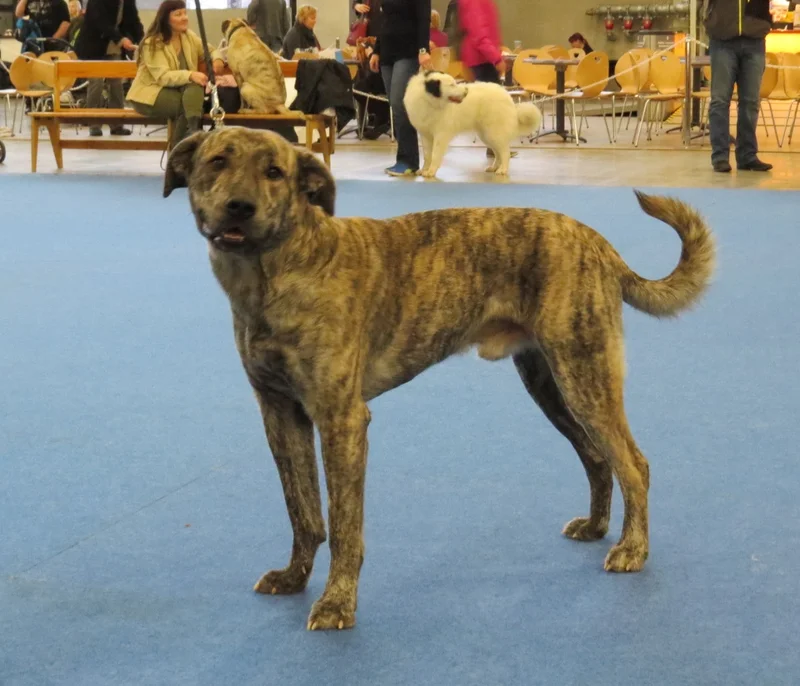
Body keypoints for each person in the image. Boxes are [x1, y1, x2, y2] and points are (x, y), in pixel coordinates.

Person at [127, 0, 216, 148]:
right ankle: (185, 145)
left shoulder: (189, 37)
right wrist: (190, 75)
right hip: (149, 94)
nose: (184, 17)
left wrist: (218, 59)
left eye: (185, 13)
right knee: (187, 103)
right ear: (166, 19)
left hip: (179, 92)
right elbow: (163, 77)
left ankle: (188, 141)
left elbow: (210, 50)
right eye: (178, 14)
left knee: (194, 91)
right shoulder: (152, 43)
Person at [704, 0, 773, 172]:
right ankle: (720, 156)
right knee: (720, 101)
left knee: (750, 102)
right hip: (722, 39)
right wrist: (709, 20)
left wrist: (765, 23)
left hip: (755, 38)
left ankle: (747, 156)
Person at [369, 0, 431, 177]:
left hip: (408, 51)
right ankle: (403, 158)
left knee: (400, 104)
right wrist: (376, 50)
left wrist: (423, 49)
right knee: (395, 106)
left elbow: (423, 18)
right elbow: (385, 20)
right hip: (387, 53)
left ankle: (408, 160)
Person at [74, 0, 143, 137]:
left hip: (113, 47)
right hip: (94, 46)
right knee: (96, 83)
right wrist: (121, 40)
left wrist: (144, 41)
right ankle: (94, 124)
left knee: (116, 84)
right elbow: (101, 23)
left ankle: (117, 124)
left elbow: (134, 21)